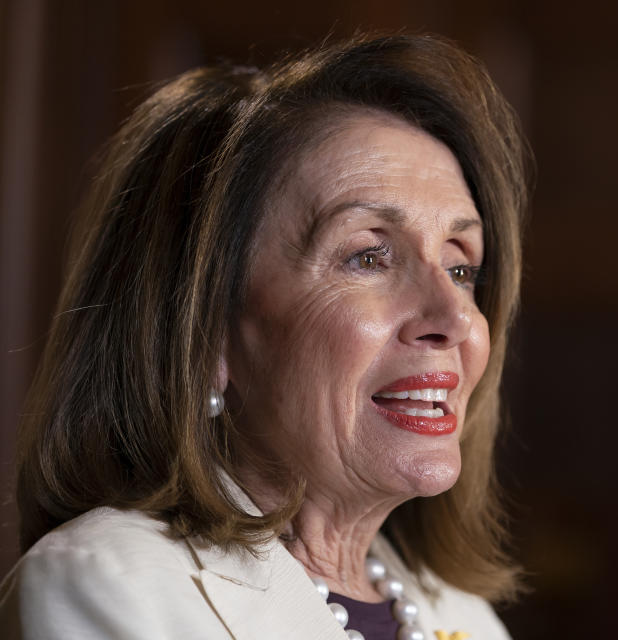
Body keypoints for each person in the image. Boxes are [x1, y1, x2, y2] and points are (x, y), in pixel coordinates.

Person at [0, 33, 531, 640]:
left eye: (461, 268)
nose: (455, 318)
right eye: (368, 258)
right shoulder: (107, 586)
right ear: (206, 333)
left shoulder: (464, 619)